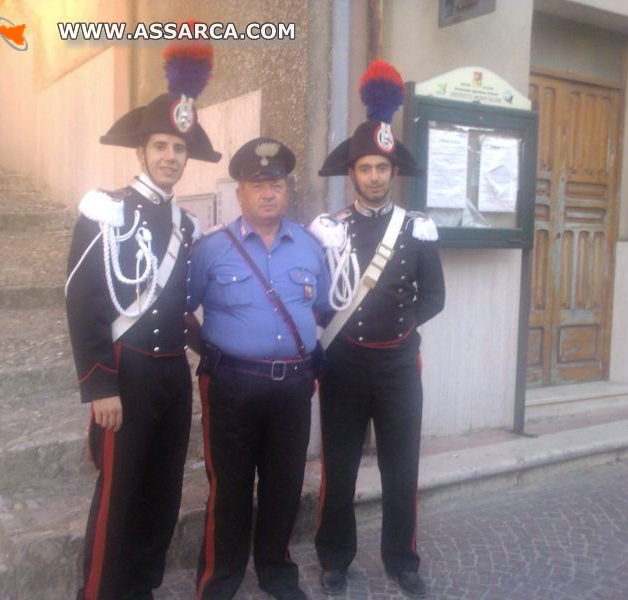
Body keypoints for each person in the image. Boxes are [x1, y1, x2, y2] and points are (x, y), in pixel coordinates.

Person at [65, 40, 221, 600]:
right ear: (142, 150)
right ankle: (103, 592)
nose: (170, 157)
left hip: (170, 377)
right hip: (125, 374)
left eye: (179, 149)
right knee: (118, 496)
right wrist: (99, 383)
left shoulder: (187, 226)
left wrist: (217, 349)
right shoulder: (105, 209)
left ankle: (142, 588)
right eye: (161, 146)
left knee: (161, 493)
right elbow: (81, 301)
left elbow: (178, 308)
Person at [309, 60, 445, 598]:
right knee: (338, 472)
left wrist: (401, 325)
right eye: (365, 168)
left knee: (400, 470)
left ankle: (402, 559)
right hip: (342, 367)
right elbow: (317, 297)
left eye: (382, 169)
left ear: (393, 173)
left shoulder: (417, 229)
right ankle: (335, 559)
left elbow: (434, 296)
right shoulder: (327, 232)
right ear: (352, 173)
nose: (374, 177)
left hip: (396, 367)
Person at [189, 137, 331, 600]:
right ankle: (219, 579)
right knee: (228, 488)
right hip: (231, 385)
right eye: (257, 184)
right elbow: (178, 309)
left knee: (284, 485)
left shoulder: (310, 247)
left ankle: (277, 572)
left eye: (277, 183)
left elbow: (325, 310)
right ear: (240, 193)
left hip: (292, 388)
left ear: (287, 190)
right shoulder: (211, 249)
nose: (269, 192)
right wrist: (210, 351)